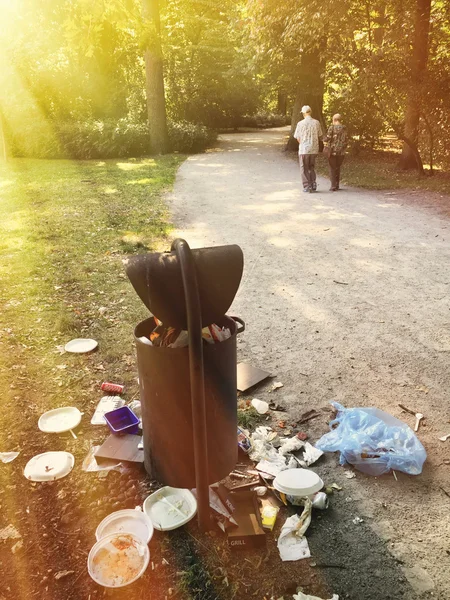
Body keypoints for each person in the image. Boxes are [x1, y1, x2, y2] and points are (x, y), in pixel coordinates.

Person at [294, 105, 323, 193]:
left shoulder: (300, 123)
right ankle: (313, 183)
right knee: (311, 167)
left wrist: (303, 144)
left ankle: (307, 186)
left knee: (304, 168)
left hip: (304, 149)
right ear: (310, 112)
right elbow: (320, 135)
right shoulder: (316, 122)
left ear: (303, 113)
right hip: (314, 149)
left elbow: (297, 137)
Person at [325, 114, 348, 191]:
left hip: (332, 151)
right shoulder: (344, 128)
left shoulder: (332, 128)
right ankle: (337, 184)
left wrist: (323, 140)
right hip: (341, 152)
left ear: (334, 120)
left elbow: (328, 138)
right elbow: (346, 140)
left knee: (332, 168)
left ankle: (333, 186)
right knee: (338, 167)